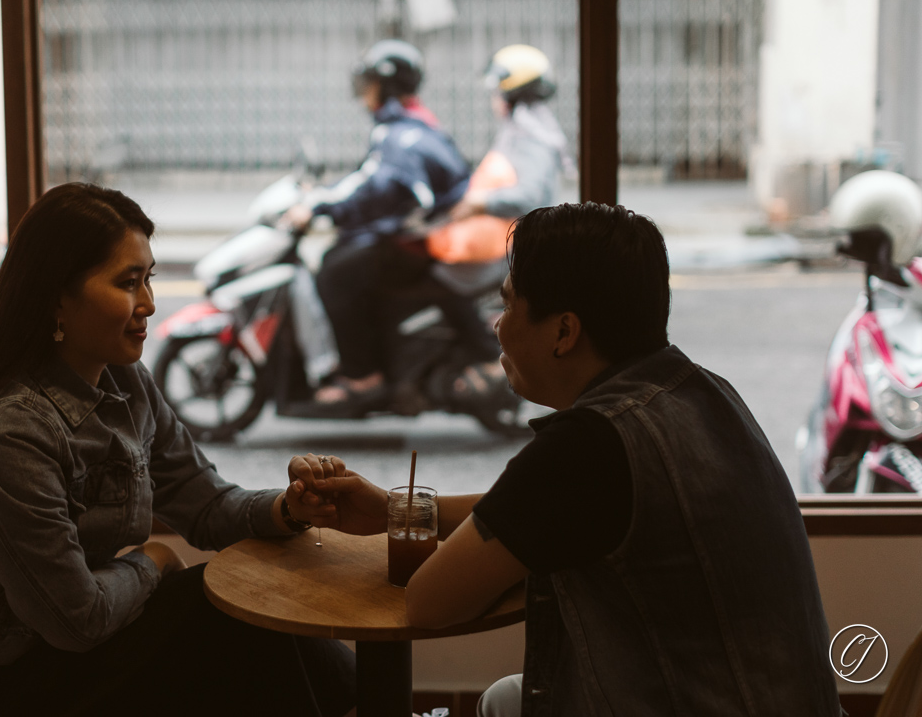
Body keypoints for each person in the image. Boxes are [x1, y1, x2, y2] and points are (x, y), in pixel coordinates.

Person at [297, 203, 842, 715]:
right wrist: (395, 509)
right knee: (507, 699)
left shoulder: (587, 444)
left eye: (509, 303)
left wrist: (417, 525)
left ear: (563, 331)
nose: (497, 324)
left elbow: (430, 602)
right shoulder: (700, 389)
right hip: (788, 701)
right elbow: (537, 512)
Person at [0, 183, 355, 717]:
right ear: (57, 296)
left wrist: (288, 507)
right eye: (128, 283)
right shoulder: (9, 430)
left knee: (252, 619)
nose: (149, 303)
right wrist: (152, 561)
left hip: (56, 644)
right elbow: (75, 620)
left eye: (148, 278)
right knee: (230, 620)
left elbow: (207, 504)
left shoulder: (126, 381)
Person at [285, 39, 470, 411]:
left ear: (387, 86)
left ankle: (362, 375)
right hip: (420, 235)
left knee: (335, 272)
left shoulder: (402, 134)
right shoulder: (404, 126)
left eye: (369, 84)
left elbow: (379, 188)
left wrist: (320, 204)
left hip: (424, 241)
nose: (363, 94)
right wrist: (326, 197)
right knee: (343, 255)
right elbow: (367, 180)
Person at [427, 44, 571, 397]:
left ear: (511, 93)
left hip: (512, 245)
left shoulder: (529, 136)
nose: (494, 99)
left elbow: (530, 197)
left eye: (497, 91)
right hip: (502, 237)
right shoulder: (520, 130)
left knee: (442, 280)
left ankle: (488, 358)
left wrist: (481, 202)